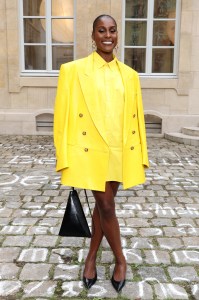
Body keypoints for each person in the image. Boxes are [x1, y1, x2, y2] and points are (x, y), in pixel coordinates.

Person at [54, 14, 149, 292]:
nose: (108, 35)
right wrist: (63, 157)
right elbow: (62, 118)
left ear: (117, 35)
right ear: (93, 36)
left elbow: (137, 117)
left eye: (112, 30)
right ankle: (121, 261)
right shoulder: (72, 71)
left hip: (120, 150)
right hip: (89, 151)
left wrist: (141, 154)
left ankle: (91, 257)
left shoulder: (130, 75)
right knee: (107, 206)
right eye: (101, 30)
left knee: (101, 209)